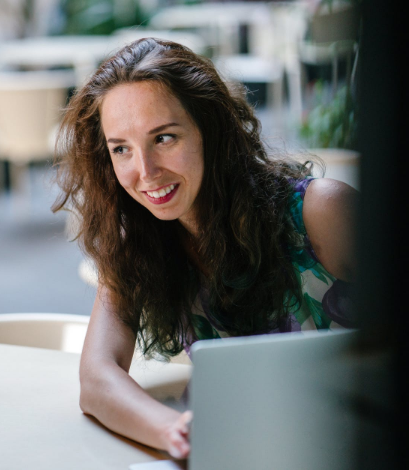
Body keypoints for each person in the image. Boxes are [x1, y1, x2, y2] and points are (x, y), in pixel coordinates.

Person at [52, 38, 357, 459]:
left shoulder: (321, 212)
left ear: (210, 129)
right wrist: (175, 431)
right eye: (121, 148)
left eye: (164, 138)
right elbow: (97, 378)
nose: (145, 172)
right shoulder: (138, 246)